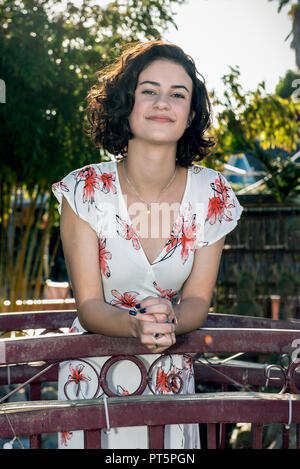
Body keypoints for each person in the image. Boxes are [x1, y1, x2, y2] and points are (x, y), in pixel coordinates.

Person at [52, 40, 244, 449]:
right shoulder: (85, 190)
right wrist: (132, 325)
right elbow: (88, 306)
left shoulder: (213, 193)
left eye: (178, 94)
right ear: (127, 102)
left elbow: (197, 301)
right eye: (149, 90)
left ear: (190, 115)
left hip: (168, 374)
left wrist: (169, 319)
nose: (163, 103)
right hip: (94, 375)